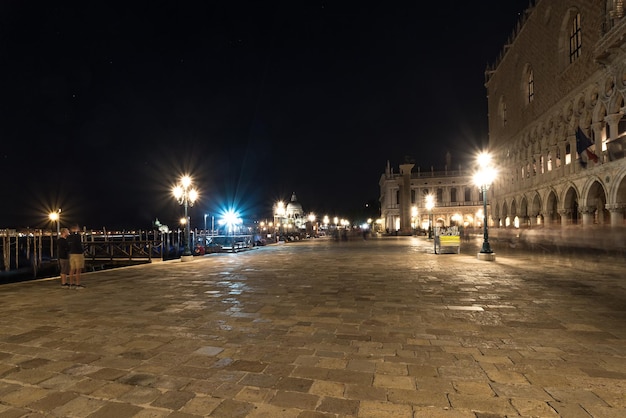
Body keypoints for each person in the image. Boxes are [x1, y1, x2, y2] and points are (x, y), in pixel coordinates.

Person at [67, 224, 86, 289]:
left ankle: (71, 284)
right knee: (78, 269)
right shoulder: (78, 236)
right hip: (78, 254)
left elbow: (68, 246)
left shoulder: (69, 237)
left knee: (72, 269)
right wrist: (83, 251)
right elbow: (78, 245)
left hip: (71, 254)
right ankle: (78, 284)